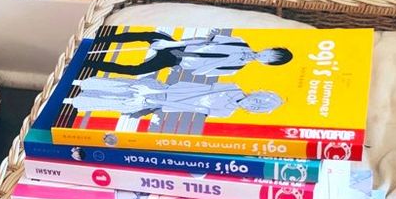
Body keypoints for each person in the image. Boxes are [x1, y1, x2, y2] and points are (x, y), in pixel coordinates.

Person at [66, 75, 283, 120]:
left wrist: (160, 104)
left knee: (120, 103)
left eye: (258, 107)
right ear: (258, 93)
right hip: (170, 90)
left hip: (166, 104)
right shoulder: (232, 87)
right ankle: (82, 83)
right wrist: (162, 92)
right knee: (126, 86)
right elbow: (198, 88)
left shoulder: (226, 113)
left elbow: (194, 110)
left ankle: (77, 102)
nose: (254, 103)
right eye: (258, 99)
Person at [90, 29, 292, 77]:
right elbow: (203, 41)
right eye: (269, 53)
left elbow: (199, 73)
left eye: (269, 59)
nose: (264, 56)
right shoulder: (238, 41)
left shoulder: (234, 69)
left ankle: (93, 65)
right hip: (179, 46)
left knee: (135, 71)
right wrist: (170, 45)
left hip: (177, 61)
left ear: (266, 64)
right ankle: (100, 39)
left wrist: (231, 59)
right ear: (267, 49)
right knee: (151, 35)